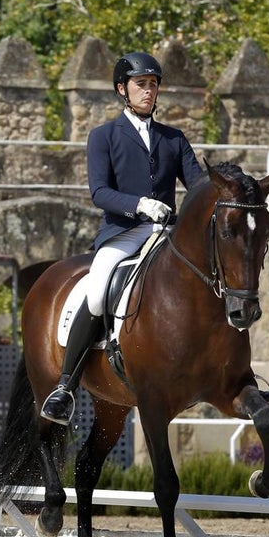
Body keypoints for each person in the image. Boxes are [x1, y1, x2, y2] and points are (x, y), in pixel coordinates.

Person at [40, 51, 204, 425]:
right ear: (122, 90)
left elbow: (195, 185)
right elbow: (99, 192)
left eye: (153, 85)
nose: (149, 91)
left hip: (166, 233)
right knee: (97, 290)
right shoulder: (103, 136)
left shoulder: (173, 139)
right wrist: (141, 204)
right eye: (141, 84)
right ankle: (65, 386)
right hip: (123, 232)